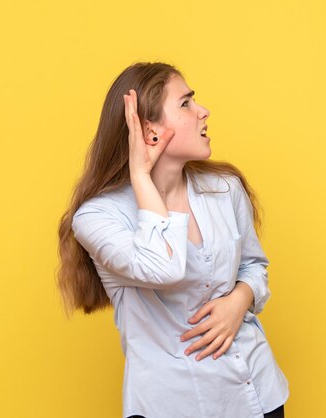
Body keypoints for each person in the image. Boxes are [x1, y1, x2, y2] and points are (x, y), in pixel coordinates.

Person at [57, 61, 289, 418]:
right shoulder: (97, 218)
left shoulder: (224, 188)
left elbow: (254, 266)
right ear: (149, 131)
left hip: (257, 392)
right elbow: (163, 268)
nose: (203, 111)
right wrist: (141, 176)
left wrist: (239, 301)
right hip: (175, 404)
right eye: (185, 104)